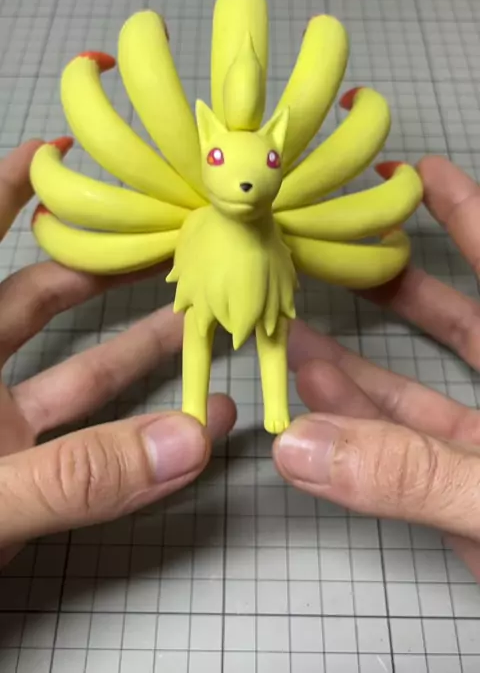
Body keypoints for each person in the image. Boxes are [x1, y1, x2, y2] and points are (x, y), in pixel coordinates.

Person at [0, 142, 479, 581]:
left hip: (264, 280)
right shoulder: (200, 227)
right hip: (206, 280)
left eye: (270, 160)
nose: (246, 182)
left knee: (271, 333)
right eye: (217, 157)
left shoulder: (276, 236)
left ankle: (272, 409)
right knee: (198, 331)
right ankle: (195, 407)